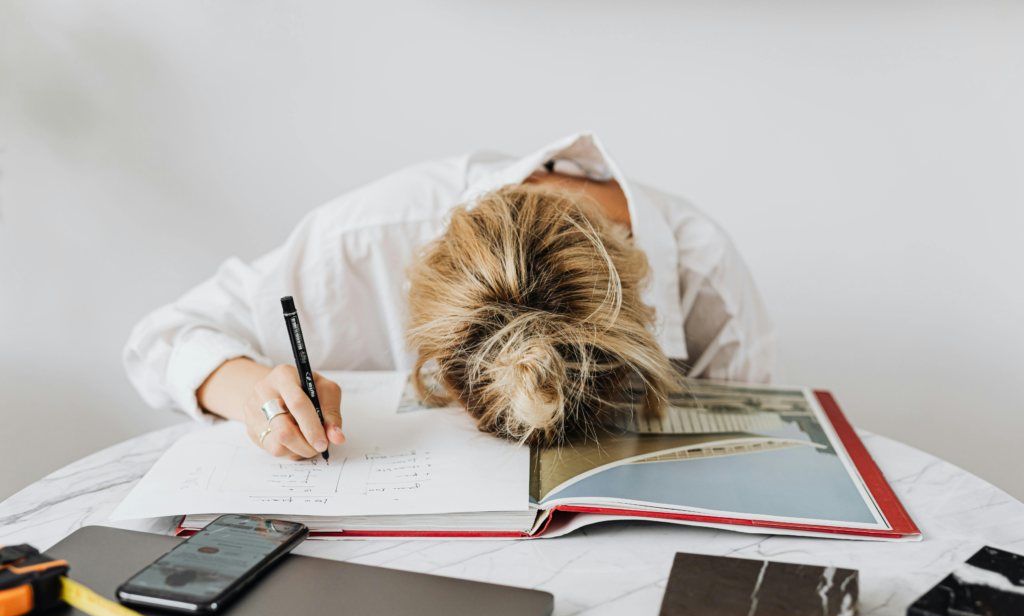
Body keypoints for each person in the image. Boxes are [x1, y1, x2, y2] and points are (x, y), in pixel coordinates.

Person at [124, 133, 776, 460]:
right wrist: (253, 393)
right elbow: (161, 338)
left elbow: (745, 456)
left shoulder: (705, 272)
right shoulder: (367, 238)